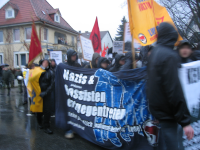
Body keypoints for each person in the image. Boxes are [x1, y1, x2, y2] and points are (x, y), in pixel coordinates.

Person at [147, 22, 194, 150]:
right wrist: (185, 122)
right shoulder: (169, 56)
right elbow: (174, 90)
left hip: (161, 114)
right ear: (171, 36)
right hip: (169, 115)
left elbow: (151, 86)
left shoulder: (154, 53)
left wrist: (155, 112)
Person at [64, 49, 81, 138]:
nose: (74, 57)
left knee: (76, 110)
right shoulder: (64, 66)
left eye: (75, 55)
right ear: (69, 56)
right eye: (72, 55)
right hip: (68, 92)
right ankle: (68, 129)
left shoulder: (78, 65)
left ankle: (75, 128)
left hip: (76, 92)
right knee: (68, 111)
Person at [37, 59, 54, 134]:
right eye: (44, 62)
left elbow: (52, 84)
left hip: (47, 94)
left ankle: (46, 126)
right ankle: (39, 123)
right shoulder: (37, 72)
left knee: (47, 110)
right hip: (38, 94)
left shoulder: (50, 72)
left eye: (47, 63)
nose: (45, 64)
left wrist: (46, 92)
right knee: (39, 109)